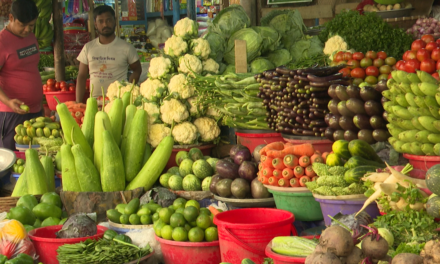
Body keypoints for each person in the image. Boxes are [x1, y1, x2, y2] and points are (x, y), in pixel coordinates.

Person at [76, 5, 142, 102]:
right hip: (95, 102)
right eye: (100, 21)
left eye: (108, 20)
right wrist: (78, 103)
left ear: (114, 21)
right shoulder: (88, 48)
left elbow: (137, 70)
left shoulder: (127, 48)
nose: (105, 25)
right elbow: (81, 76)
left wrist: (128, 87)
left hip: (118, 102)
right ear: (95, 24)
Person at [0, 0, 42, 151]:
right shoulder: (2, 41)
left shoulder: (30, 36)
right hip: (11, 113)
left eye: (31, 25)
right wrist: (8, 101)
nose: (27, 29)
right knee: (11, 159)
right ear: (11, 18)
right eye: (22, 25)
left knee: (35, 158)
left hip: (35, 111)